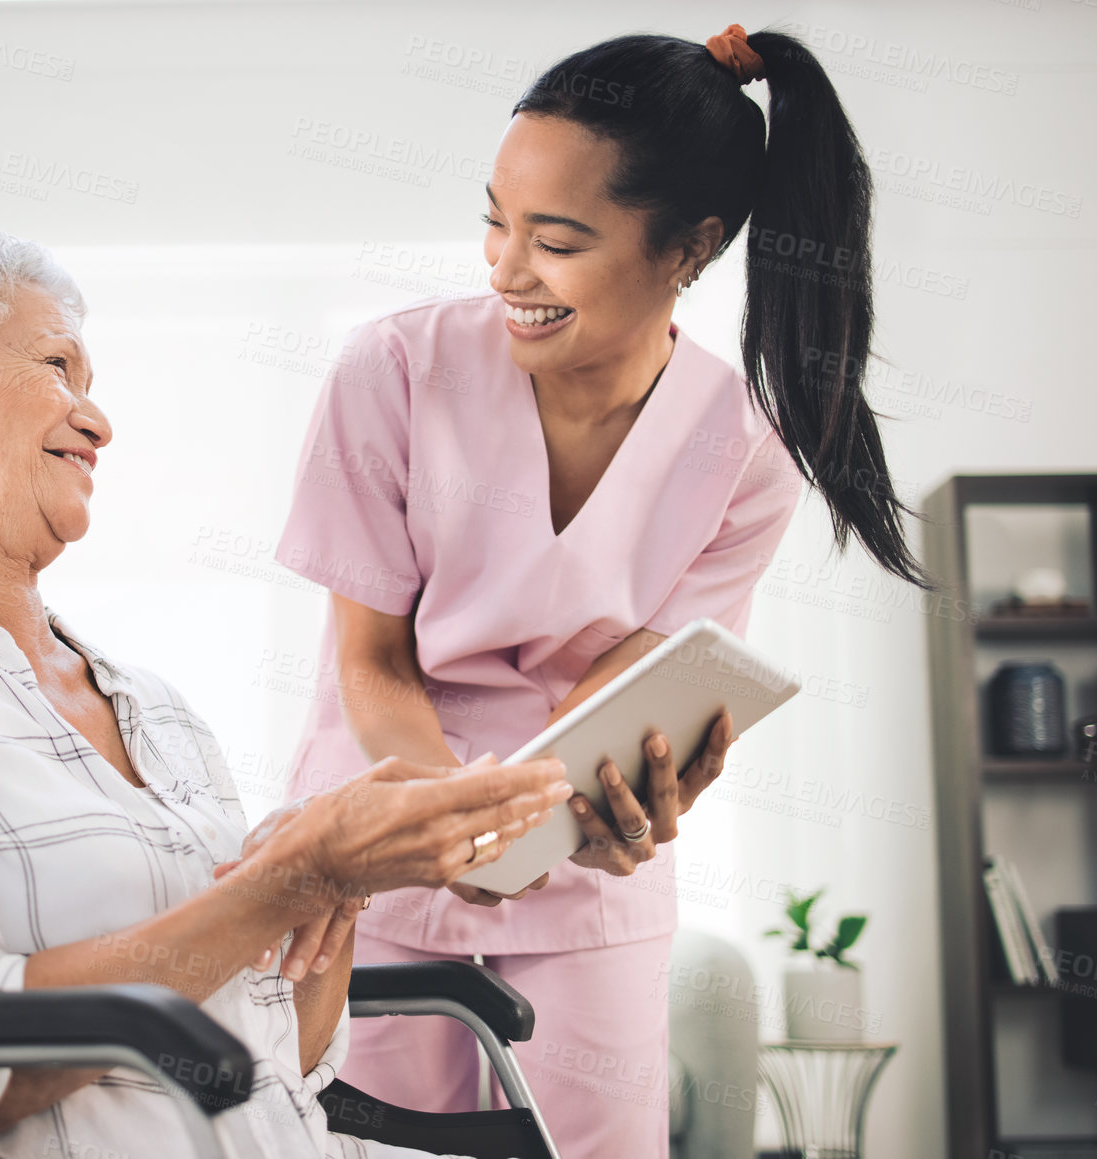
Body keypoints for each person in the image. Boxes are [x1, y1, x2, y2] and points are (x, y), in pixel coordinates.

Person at [0, 231, 575, 1159]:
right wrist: (290, 877)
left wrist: (338, 888)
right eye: (56, 366)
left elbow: (290, 1061)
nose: (99, 420)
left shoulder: (155, 709)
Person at [273, 25, 927, 1157]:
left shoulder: (744, 450)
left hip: (582, 882)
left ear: (689, 248)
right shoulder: (391, 372)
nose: (503, 269)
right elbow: (372, 665)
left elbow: (636, 689)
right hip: (380, 839)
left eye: (556, 241)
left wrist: (638, 789)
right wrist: (456, 831)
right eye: (495, 221)